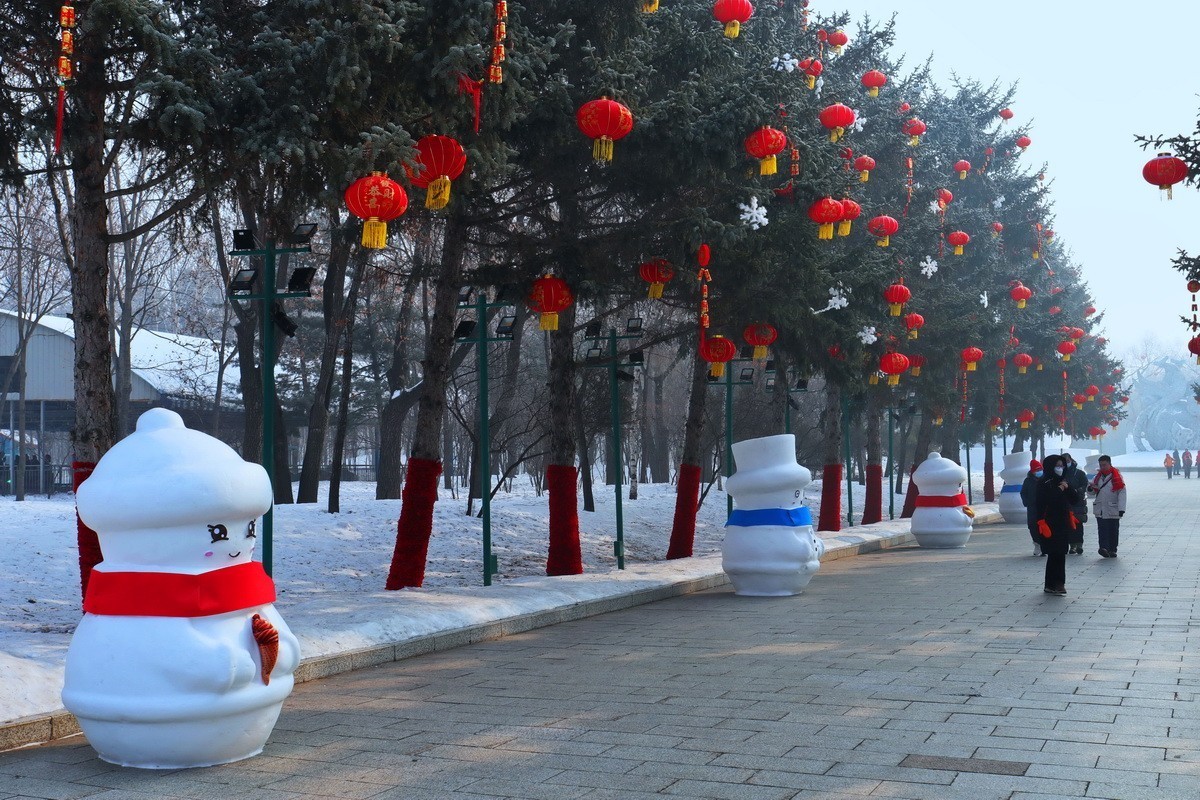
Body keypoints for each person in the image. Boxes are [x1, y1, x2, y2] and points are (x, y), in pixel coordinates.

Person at [1035, 454, 1078, 596]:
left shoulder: (1063, 480)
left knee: (1060, 553)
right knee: (1054, 553)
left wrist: (1068, 488)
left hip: (1063, 522)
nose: (1060, 469)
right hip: (1049, 523)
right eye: (1057, 466)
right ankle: (1056, 583)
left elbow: (1074, 499)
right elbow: (1048, 500)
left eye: (1062, 466)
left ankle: (1054, 583)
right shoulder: (1044, 482)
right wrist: (1059, 489)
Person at [1062, 453, 1089, 555]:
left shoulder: (1079, 473)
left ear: (1071, 460)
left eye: (1068, 460)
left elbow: (1084, 484)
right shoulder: (1060, 474)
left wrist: (1078, 491)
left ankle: (1079, 544)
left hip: (1078, 503)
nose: (1067, 463)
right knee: (1068, 525)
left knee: (1078, 524)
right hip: (1065, 503)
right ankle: (1072, 546)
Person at [1020, 459, 1044, 556]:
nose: (1038, 472)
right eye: (1036, 470)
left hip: (1044, 507)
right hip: (1032, 508)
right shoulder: (1028, 481)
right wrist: (1027, 502)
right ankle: (1037, 544)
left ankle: (1044, 545)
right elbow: (1023, 493)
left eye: (1040, 470)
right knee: (1032, 526)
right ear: (1032, 471)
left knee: (1043, 526)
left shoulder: (1046, 479)